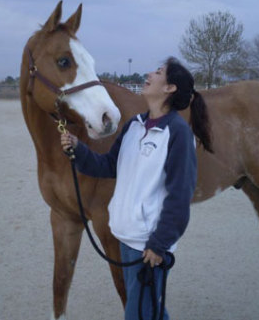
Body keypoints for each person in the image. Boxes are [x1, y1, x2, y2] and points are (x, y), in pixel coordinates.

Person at [60, 57, 213, 320]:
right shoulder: (134, 125)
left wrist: (159, 244)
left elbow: (180, 195)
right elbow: (109, 166)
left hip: (148, 246)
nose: (150, 74)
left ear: (170, 88)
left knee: (139, 314)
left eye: (159, 72)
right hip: (124, 237)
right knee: (149, 309)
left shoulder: (177, 133)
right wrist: (78, 149)